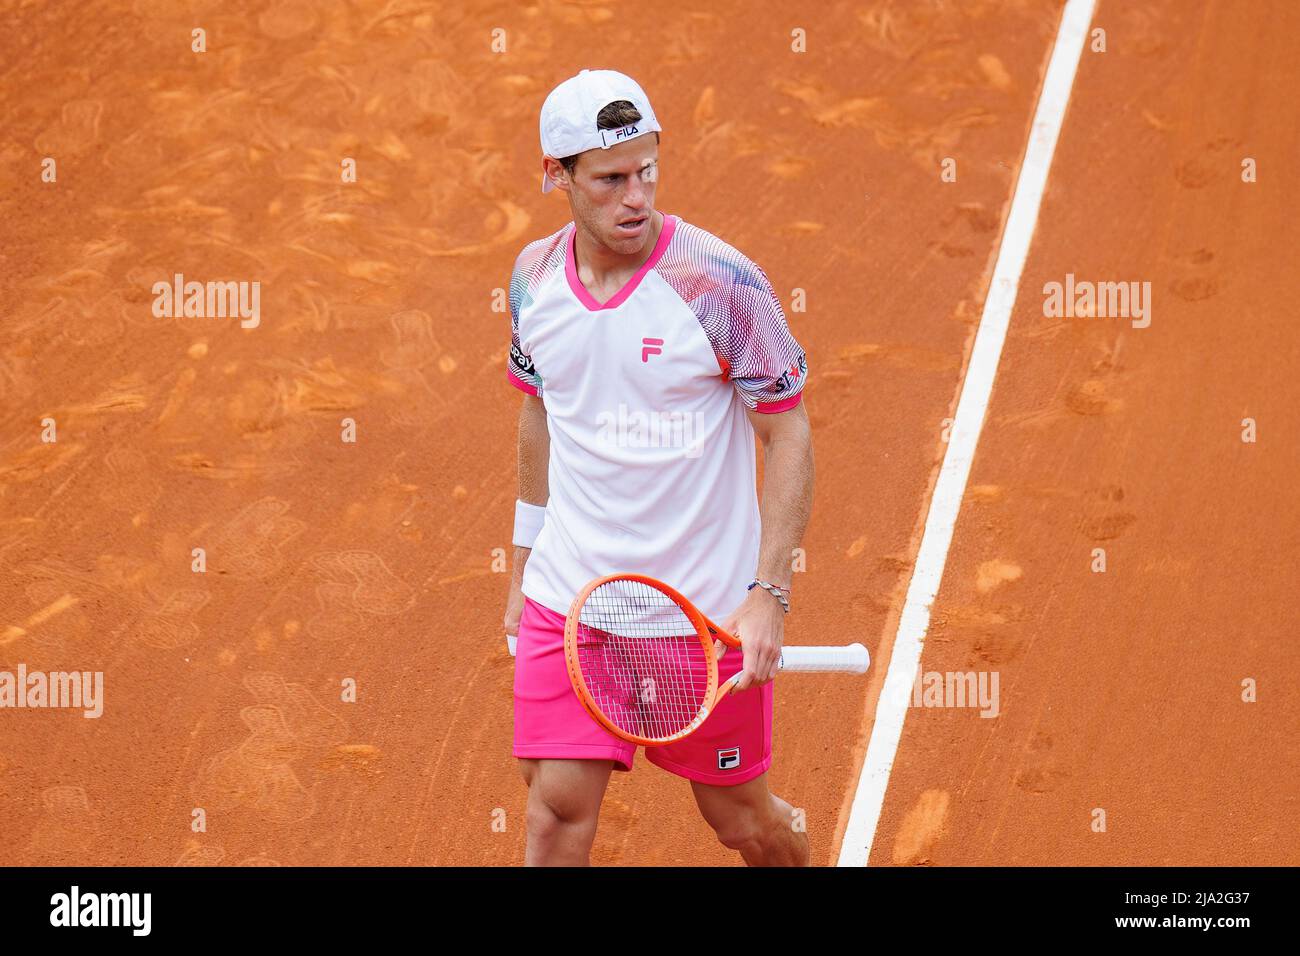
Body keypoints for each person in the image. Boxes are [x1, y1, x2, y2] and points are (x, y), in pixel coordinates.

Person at [504, 69, 814, 866]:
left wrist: (769, 593)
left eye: (647, 172)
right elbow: (540, 412)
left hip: (702, 619)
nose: (635, 197)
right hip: (573, 601)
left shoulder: (719, 283)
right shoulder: (533, 282)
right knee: (554, 814)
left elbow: (788, 435)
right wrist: (522, 566)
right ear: (556, 176)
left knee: (744, 824)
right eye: (609, 180)